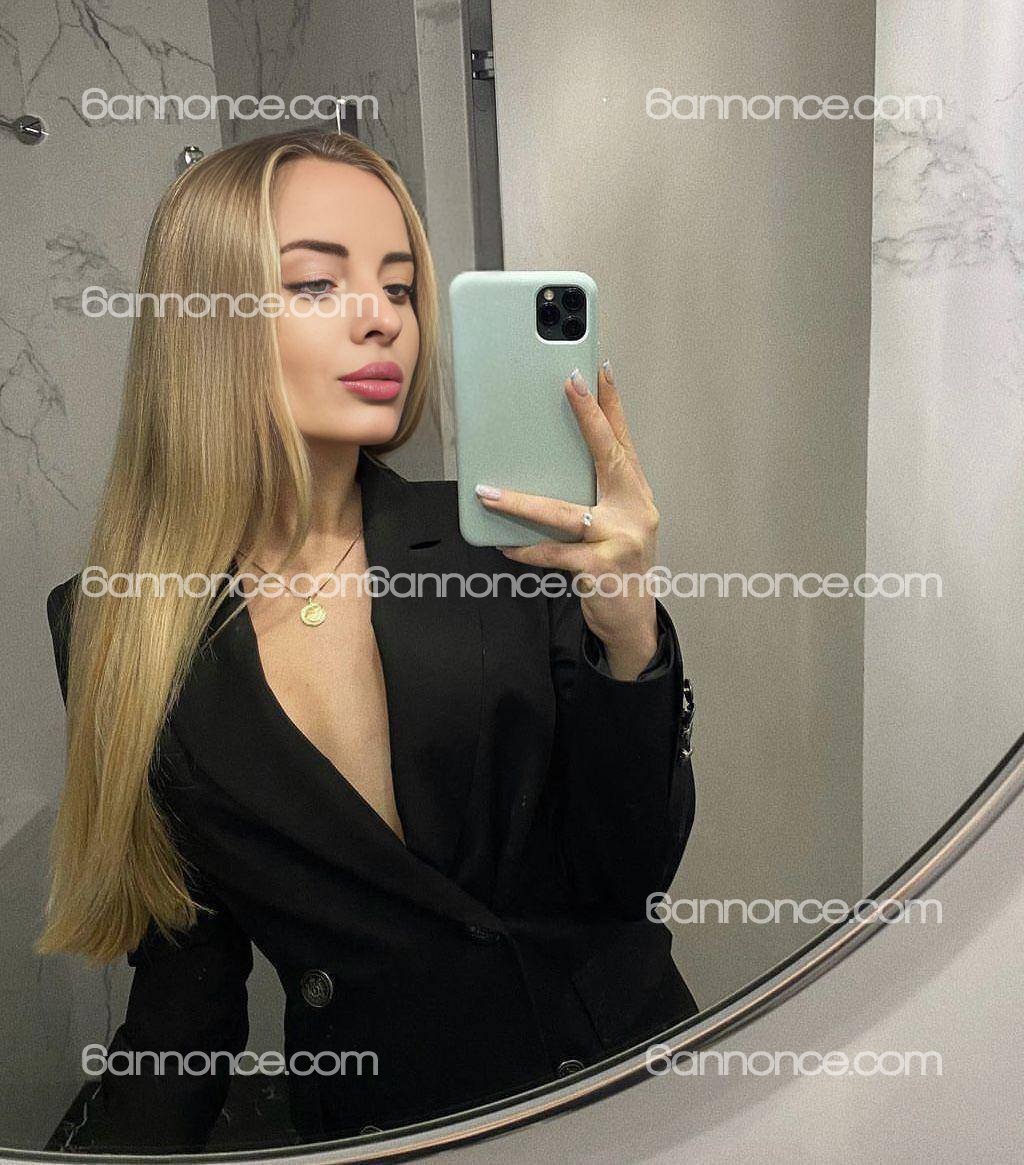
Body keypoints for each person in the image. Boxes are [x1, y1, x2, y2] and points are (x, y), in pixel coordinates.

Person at [41, 129, 698, 1151]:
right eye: (317, 282)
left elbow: (626, 874)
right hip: (386, 1124)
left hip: (623, 1096)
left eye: (398, 287)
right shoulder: (116, 624)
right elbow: (185, 989)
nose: (382, 317)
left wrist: (627, 628)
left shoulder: (505, 539)